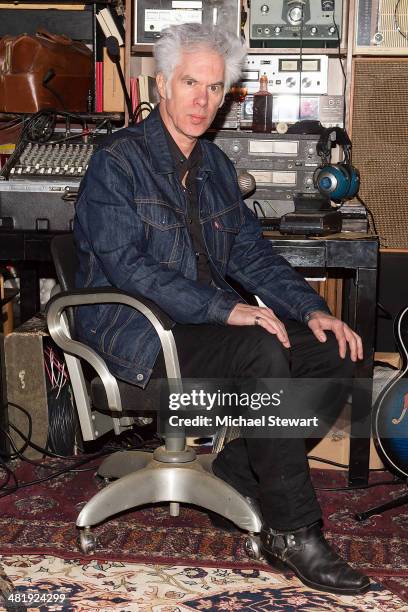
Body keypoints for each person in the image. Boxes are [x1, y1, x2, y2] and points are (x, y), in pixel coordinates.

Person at [73, 23, 370, 595]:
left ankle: (240, 471)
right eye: (190, 83)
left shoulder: (213, 166)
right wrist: (224, 308)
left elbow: (251, 253)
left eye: (213, 88)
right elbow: (128, 267)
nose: (200, 101)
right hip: (139, 337)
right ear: (162, 84)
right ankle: (294, 530)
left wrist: (312, 310)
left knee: (340, 349)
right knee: (260, 344)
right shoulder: (117, 162)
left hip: (204, 328)